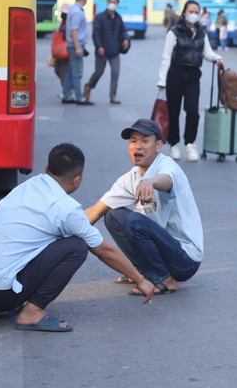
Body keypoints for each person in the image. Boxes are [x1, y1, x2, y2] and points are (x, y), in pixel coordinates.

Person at [0, 144, 154, 332]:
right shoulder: (66, 208)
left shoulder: (29, 185)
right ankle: (32, 311)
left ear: (46, 169)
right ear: (77, 180)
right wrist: (139, 279)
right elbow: (104, 251)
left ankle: (8, 307)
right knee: (77, 246)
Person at [85, 119, 204, 296]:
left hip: (185, 259)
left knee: (134, 222)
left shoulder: (167, 166)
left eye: (144, 141)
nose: (137, 147)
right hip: (163, 250)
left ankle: (165, 279)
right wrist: (60, 228)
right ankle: (145, 272)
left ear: (158, 146)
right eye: (133, 141)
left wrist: (151, 182)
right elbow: (96, 210)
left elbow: (166, 180)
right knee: (112, 215)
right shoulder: (131, 178)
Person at [158, 0, 224, 162]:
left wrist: (217, 58)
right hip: (175, 73)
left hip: (193, 75)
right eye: (191, 11)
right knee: (173, 111)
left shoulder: (202, 31)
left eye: (196, 12)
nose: (194, 14)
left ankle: (189, 143)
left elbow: (206, 52)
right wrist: (162, 80)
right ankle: (174, 144)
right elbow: (166, 57)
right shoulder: (173, 32)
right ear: (184, 13)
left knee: (193, 111)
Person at [85, 0, 130, 105]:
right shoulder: (99, 17)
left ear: (117, 4)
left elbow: (123, 31)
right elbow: (96, 34)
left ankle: (112, 95)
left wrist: (126, 39)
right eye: (110, 2)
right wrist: (99, 46)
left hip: (115, 50)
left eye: (114, 2)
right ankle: (89, 86)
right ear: (107, 3)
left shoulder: (118, 18)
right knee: (99, 72)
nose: (112, 4)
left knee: (115, 72)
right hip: (102, 50)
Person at [63, 0, 92, 105]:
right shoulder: (77, 11)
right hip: (76, 45)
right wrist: (78, 47)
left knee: (70, 72)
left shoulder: (75, 10)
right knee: (77, 73)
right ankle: (79, 97)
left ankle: (66, 96)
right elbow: (74, 30)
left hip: (74, 44)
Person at [52, 3, 71, 89]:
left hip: (65, 49)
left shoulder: (68, 23)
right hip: (61, 49)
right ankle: (67, 88)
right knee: (58, 69)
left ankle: (67, 89)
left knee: (63, 70)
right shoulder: (63, 22)